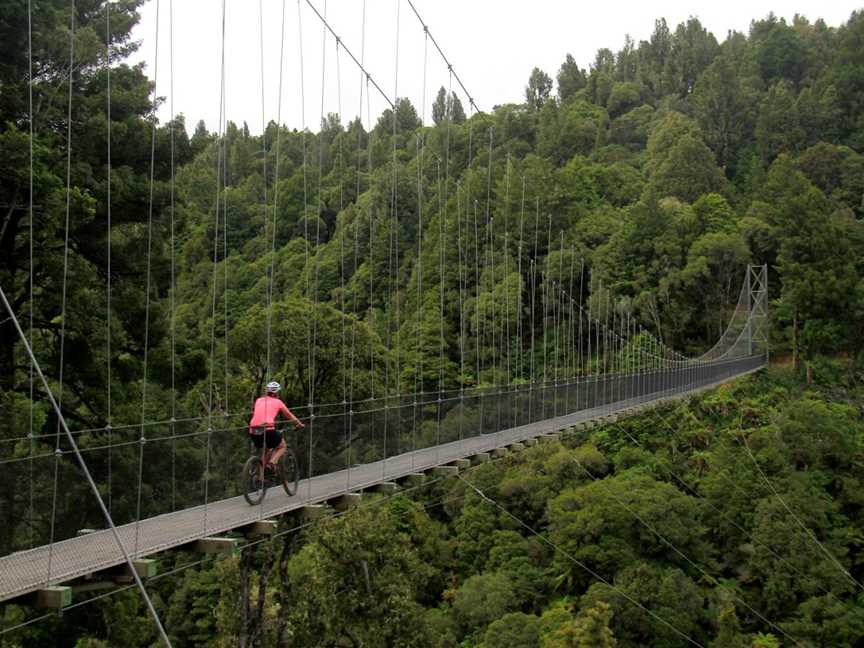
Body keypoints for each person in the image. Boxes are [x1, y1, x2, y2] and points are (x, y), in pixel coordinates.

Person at [248, 381, 304, 467]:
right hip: (268, 429)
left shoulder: (258, 400)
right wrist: (299, 424)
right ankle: (273, 462)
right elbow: (289, 415)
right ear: (276, 393)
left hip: (253, 430)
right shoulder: (278, 402)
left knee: (266, 450)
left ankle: (260, 477)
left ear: (266, 391)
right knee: (282, 446)